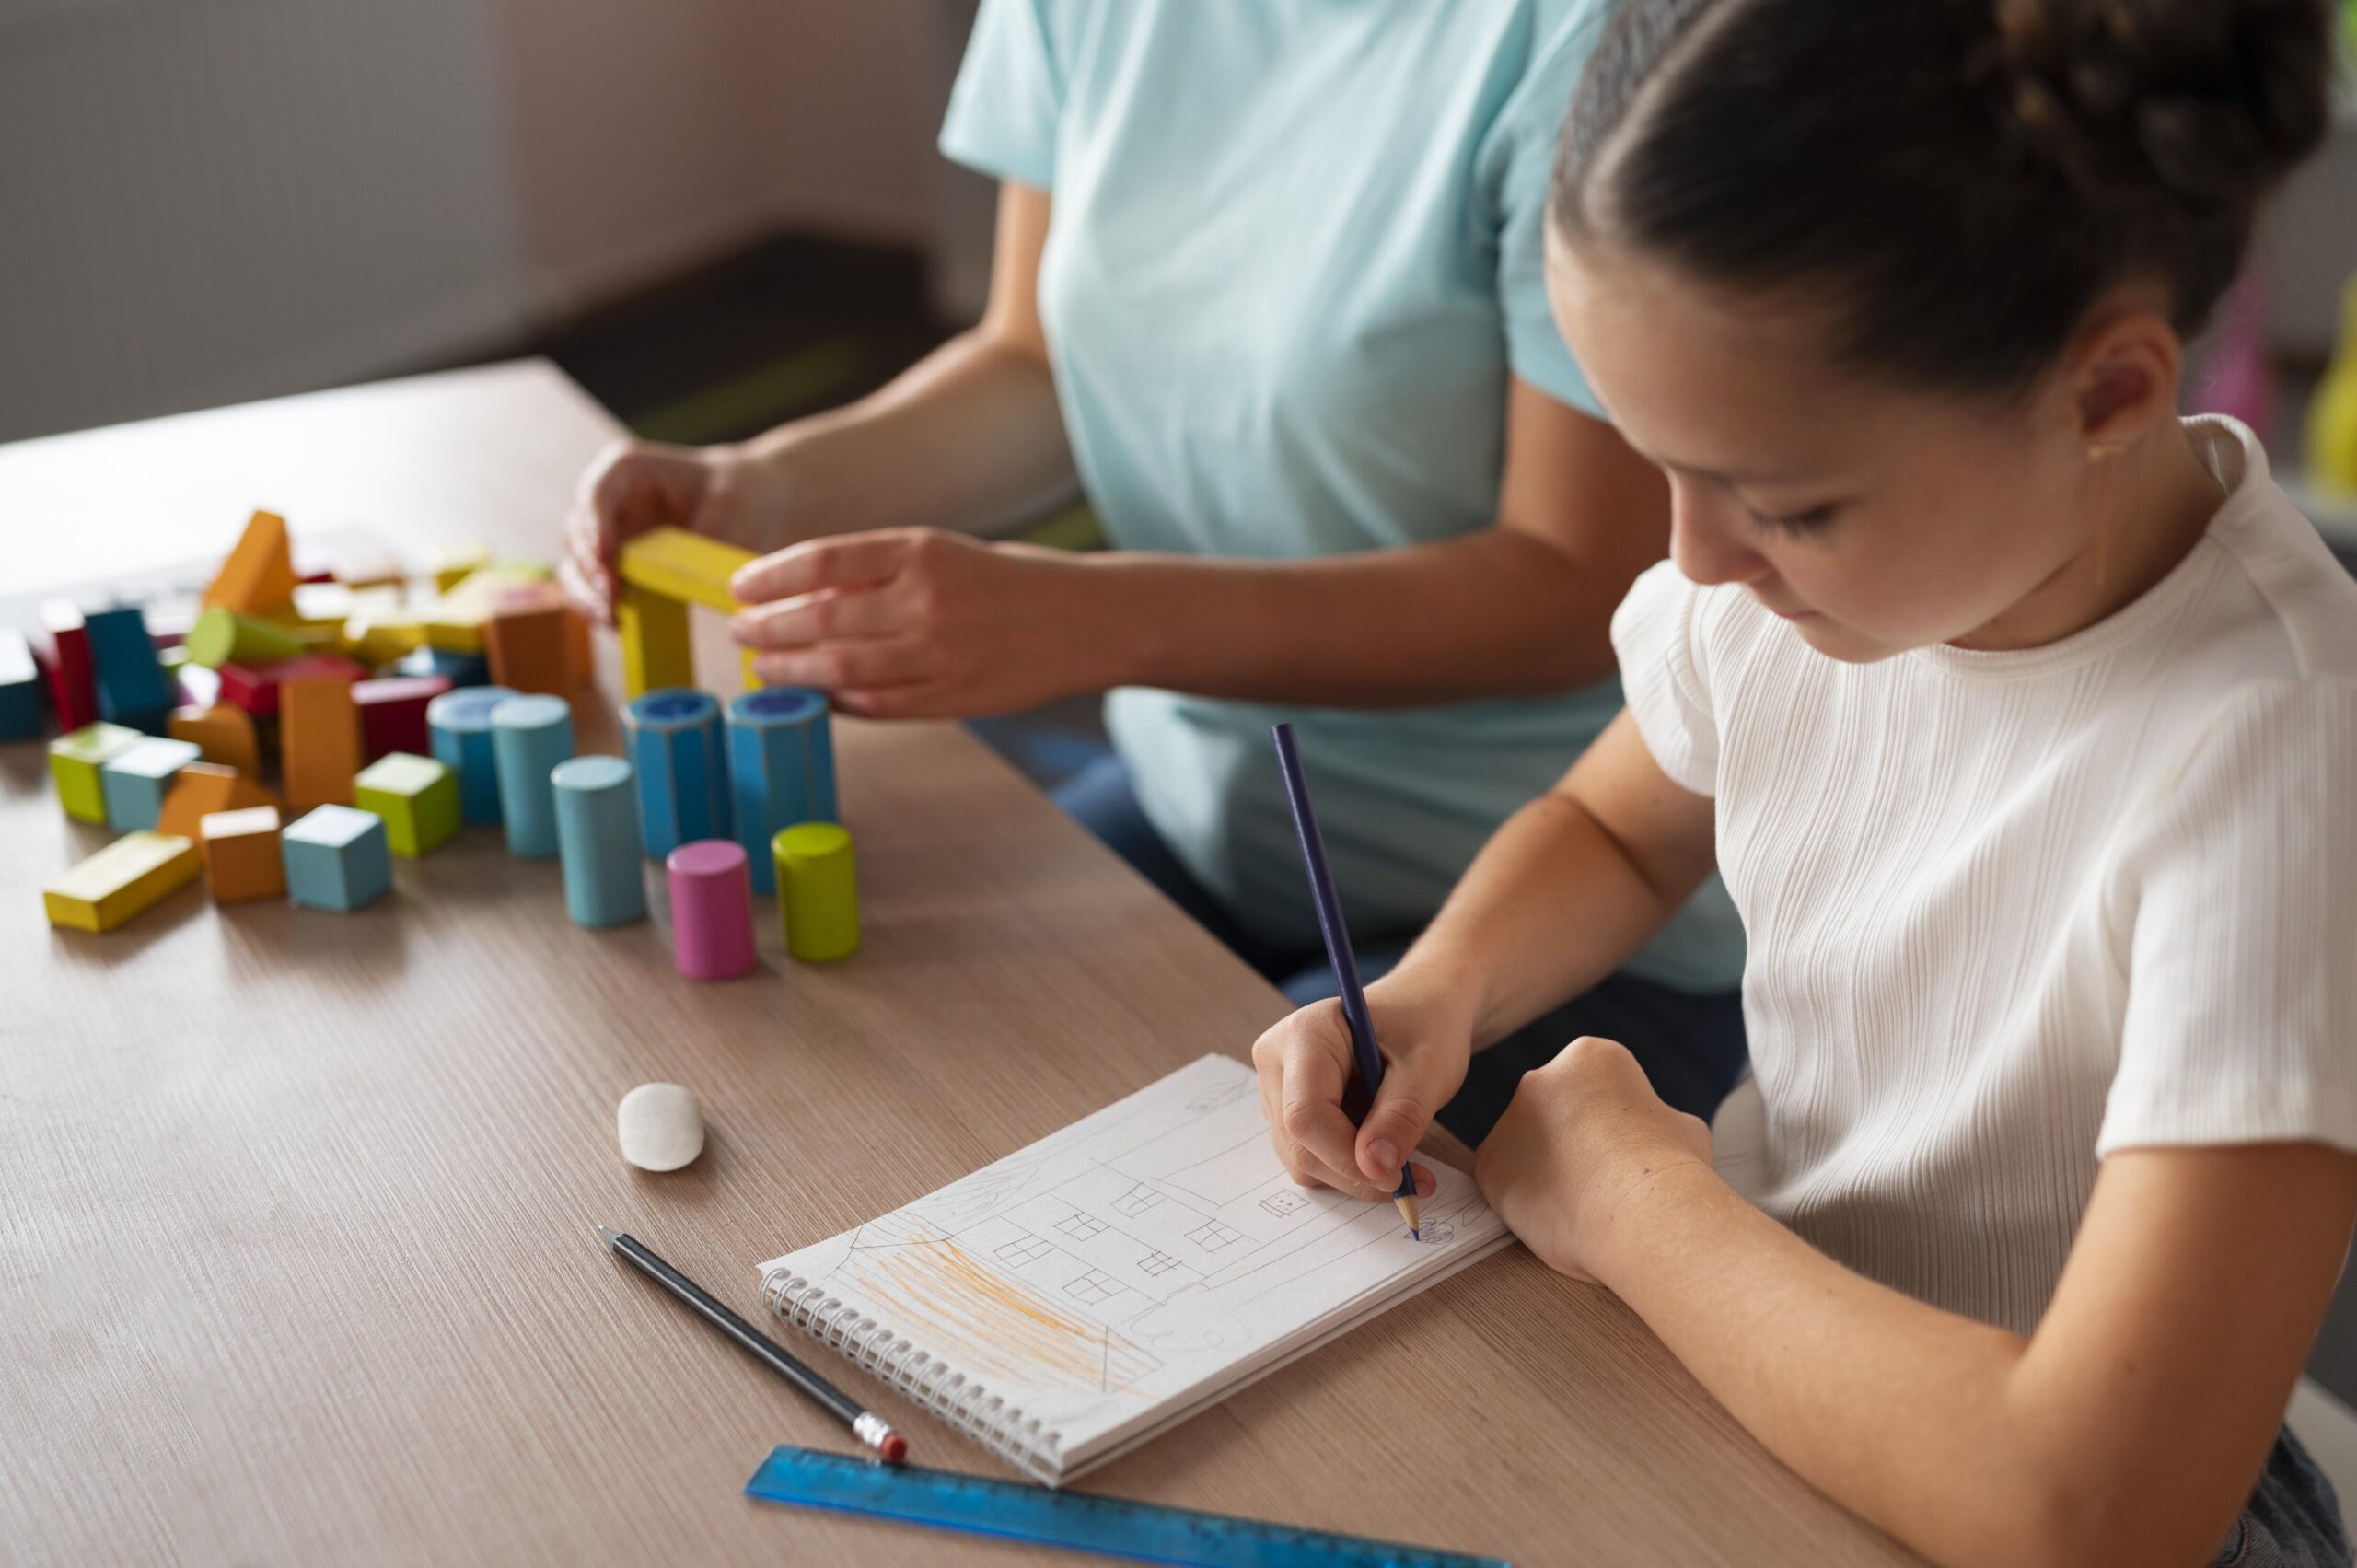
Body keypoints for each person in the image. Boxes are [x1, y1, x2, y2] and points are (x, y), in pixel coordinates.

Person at [1250, 1, 2357, 1562]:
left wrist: (1640, 1205)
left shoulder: (2281, 762)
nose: (1696, 557)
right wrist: (1443, 991)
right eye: (1664, 464)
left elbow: (2097, 1506)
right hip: (1767, 1329)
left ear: (2106, 397)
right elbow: (1615, 829)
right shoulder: (1806, 584)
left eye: (1787, 501)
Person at [561, 0, 1747, 1136]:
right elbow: (1034, 361)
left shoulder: (1597, 34)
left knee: (1254, 1213)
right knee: (867, 1084)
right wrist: (758, 487)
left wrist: (1101, 622)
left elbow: (1575, 585)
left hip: (1558, 910)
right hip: (1195, 804)